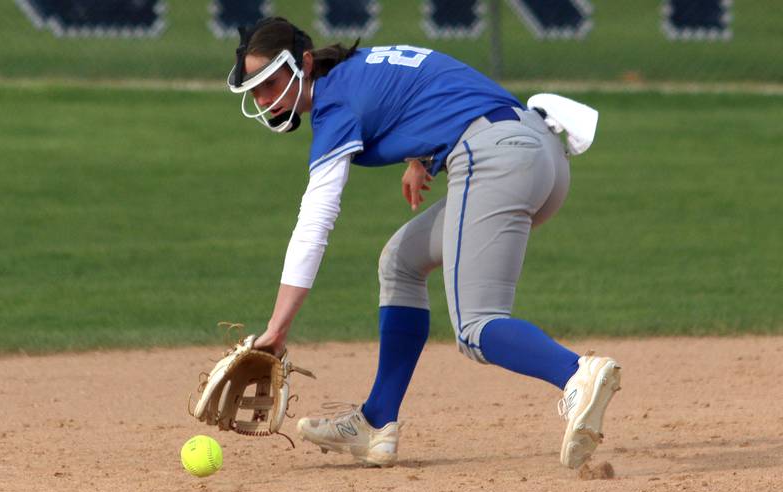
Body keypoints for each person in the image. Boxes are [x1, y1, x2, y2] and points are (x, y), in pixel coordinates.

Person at [227, 17, 621, 468]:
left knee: (476, 328)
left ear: (306, 63)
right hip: (540, 153)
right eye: (254, 89)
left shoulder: (334, 105)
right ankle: (376, 422)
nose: (263, 98)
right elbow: (430, 89)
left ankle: (576, 374)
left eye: (271, 82)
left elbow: (314, 222)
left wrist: (277, 328)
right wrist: (423, 159)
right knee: (401, 261)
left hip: (496, 158)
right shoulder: (361, 67)